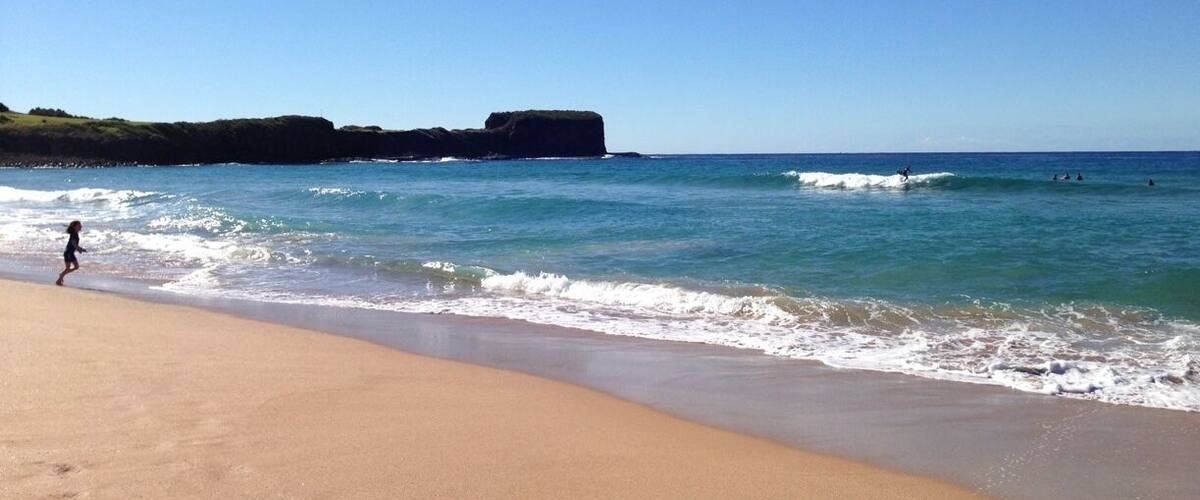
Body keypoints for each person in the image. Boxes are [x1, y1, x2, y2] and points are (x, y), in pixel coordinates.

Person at [56, 220, 87, 286]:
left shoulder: (74, 233)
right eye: (79, 225)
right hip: (69, 253)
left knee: (69, 268)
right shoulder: (74, 234)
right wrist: (79, 249)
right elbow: (73, 244)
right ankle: (60, 277)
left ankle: (61, 276)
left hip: (68, 252)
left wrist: (79, 249)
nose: (81, 226)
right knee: (76, 267)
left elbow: (73, 244)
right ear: (75, 227)